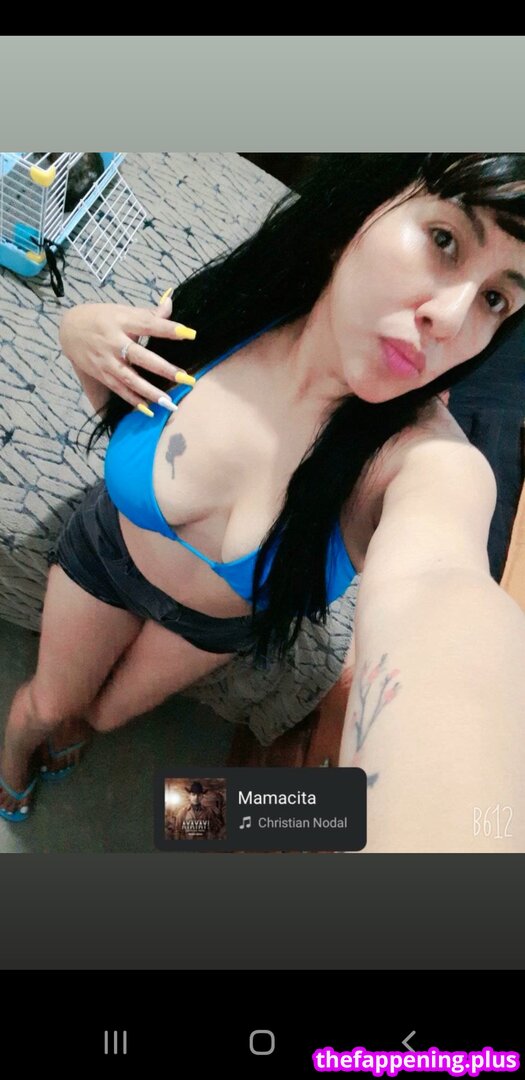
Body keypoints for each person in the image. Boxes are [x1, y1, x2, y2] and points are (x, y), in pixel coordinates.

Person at [2, 153, 525, 852]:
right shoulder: (226, 309)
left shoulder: (420, 461)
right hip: (107, 558)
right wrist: (79, 334)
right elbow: (127, 413)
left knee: (104, 716)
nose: (451, 319)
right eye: (444, 239)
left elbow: (443, 586)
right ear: (357, 213)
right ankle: (15, 757)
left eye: (496, 300)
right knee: (47, 705)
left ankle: (80, 731)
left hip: (212, 631)